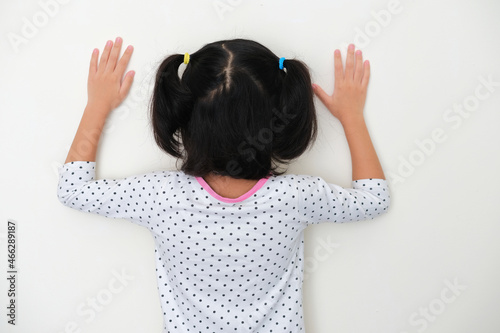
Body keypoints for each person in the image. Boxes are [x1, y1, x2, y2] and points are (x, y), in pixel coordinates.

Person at [57, 37, 390, 333]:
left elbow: (73, 190)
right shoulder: (297, 197)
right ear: (279, 119)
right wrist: (352, 117)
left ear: (184, 119)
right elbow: (374, 199)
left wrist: (97, 106)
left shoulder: (161, 196)